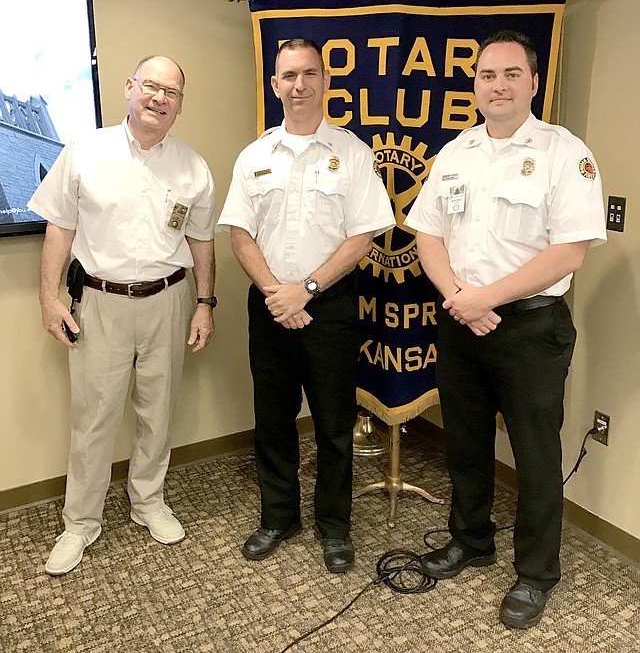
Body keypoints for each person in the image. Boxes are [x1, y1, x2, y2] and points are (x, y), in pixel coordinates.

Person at [405, 30, 606, 628]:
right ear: (475, 86)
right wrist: (458, 297)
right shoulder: (456, 152)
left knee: (536, 455)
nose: (498, 85)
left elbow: (569, 252)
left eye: (511, 74)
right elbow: (427, 235)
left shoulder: (565, 153)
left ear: (533, 82)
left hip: (530, 330)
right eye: (488, 76)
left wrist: (481, 298)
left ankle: (537, 573)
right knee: (464, 442)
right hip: (462, 321)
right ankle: (471, 540)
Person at [28, 55, 217, 576]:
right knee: (94, 418)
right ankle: (80, 524)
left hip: (169, 301)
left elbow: (201, 241)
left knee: (159, 411)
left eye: (171, 92)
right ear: (130, 87)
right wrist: (48, 298)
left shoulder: (193, 166)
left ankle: (148, 502)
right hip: (100, 302)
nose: (159, 98)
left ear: (180, 104)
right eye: (150, 86)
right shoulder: (84, 152)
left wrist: (205, 302)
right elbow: (59, 230)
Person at [217, 39, 394, 573]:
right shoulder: (254, 156)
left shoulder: (353, 154)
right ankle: (278, 518)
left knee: (335, 423)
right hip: (270, 305)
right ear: (275, 85)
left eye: (309, 74)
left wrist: (308, 289)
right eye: (288, 76)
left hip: (332, 308)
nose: (299, 85)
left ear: (324, 81)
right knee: (272, 418)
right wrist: (279, 293)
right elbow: (240, 234)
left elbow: (364, 236)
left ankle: (334, 527)